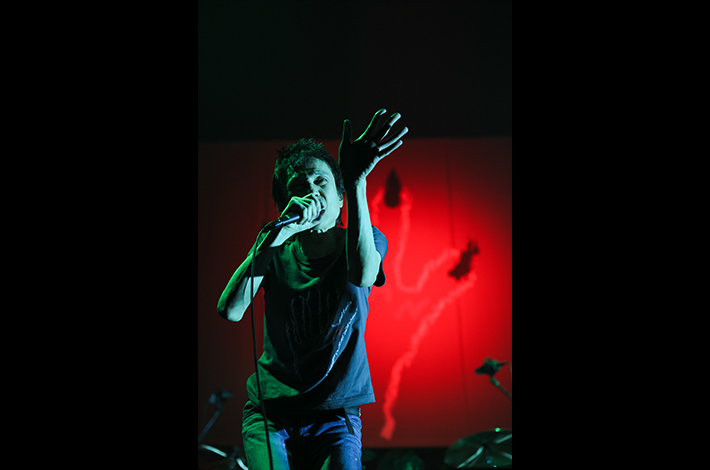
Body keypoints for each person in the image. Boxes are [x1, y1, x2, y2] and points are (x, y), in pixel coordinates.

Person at [217, 109, 408, 470]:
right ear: (284, 203)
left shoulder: (366, 239)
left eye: (321, 181)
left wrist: (356, 181)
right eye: (299, 186)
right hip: (271, 413)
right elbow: (231, 310)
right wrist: (280, 232)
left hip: (334, 414)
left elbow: (363, 274)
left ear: (340, 198)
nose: (312, 191)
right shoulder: (274, 247)